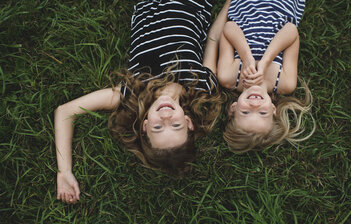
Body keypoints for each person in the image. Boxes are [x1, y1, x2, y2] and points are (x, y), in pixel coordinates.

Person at [55, 0, 230, 204]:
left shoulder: (131, 93)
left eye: (158, 127)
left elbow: (66, 111)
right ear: (189, 122)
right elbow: (213, 38)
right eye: (175, 125)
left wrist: (64, 170)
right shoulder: (202, 85)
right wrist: (229, 4)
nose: (166, 116)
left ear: (145, 126)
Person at [217, 0, 314, 153]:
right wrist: (265, 61)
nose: (255, 106)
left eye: (245, 112)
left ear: (233, 108)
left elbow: (229, 28)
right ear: (273, 109)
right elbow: (291, 30)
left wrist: (247, 58)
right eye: (263, 113)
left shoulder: (228, 76)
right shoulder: (285, 82)